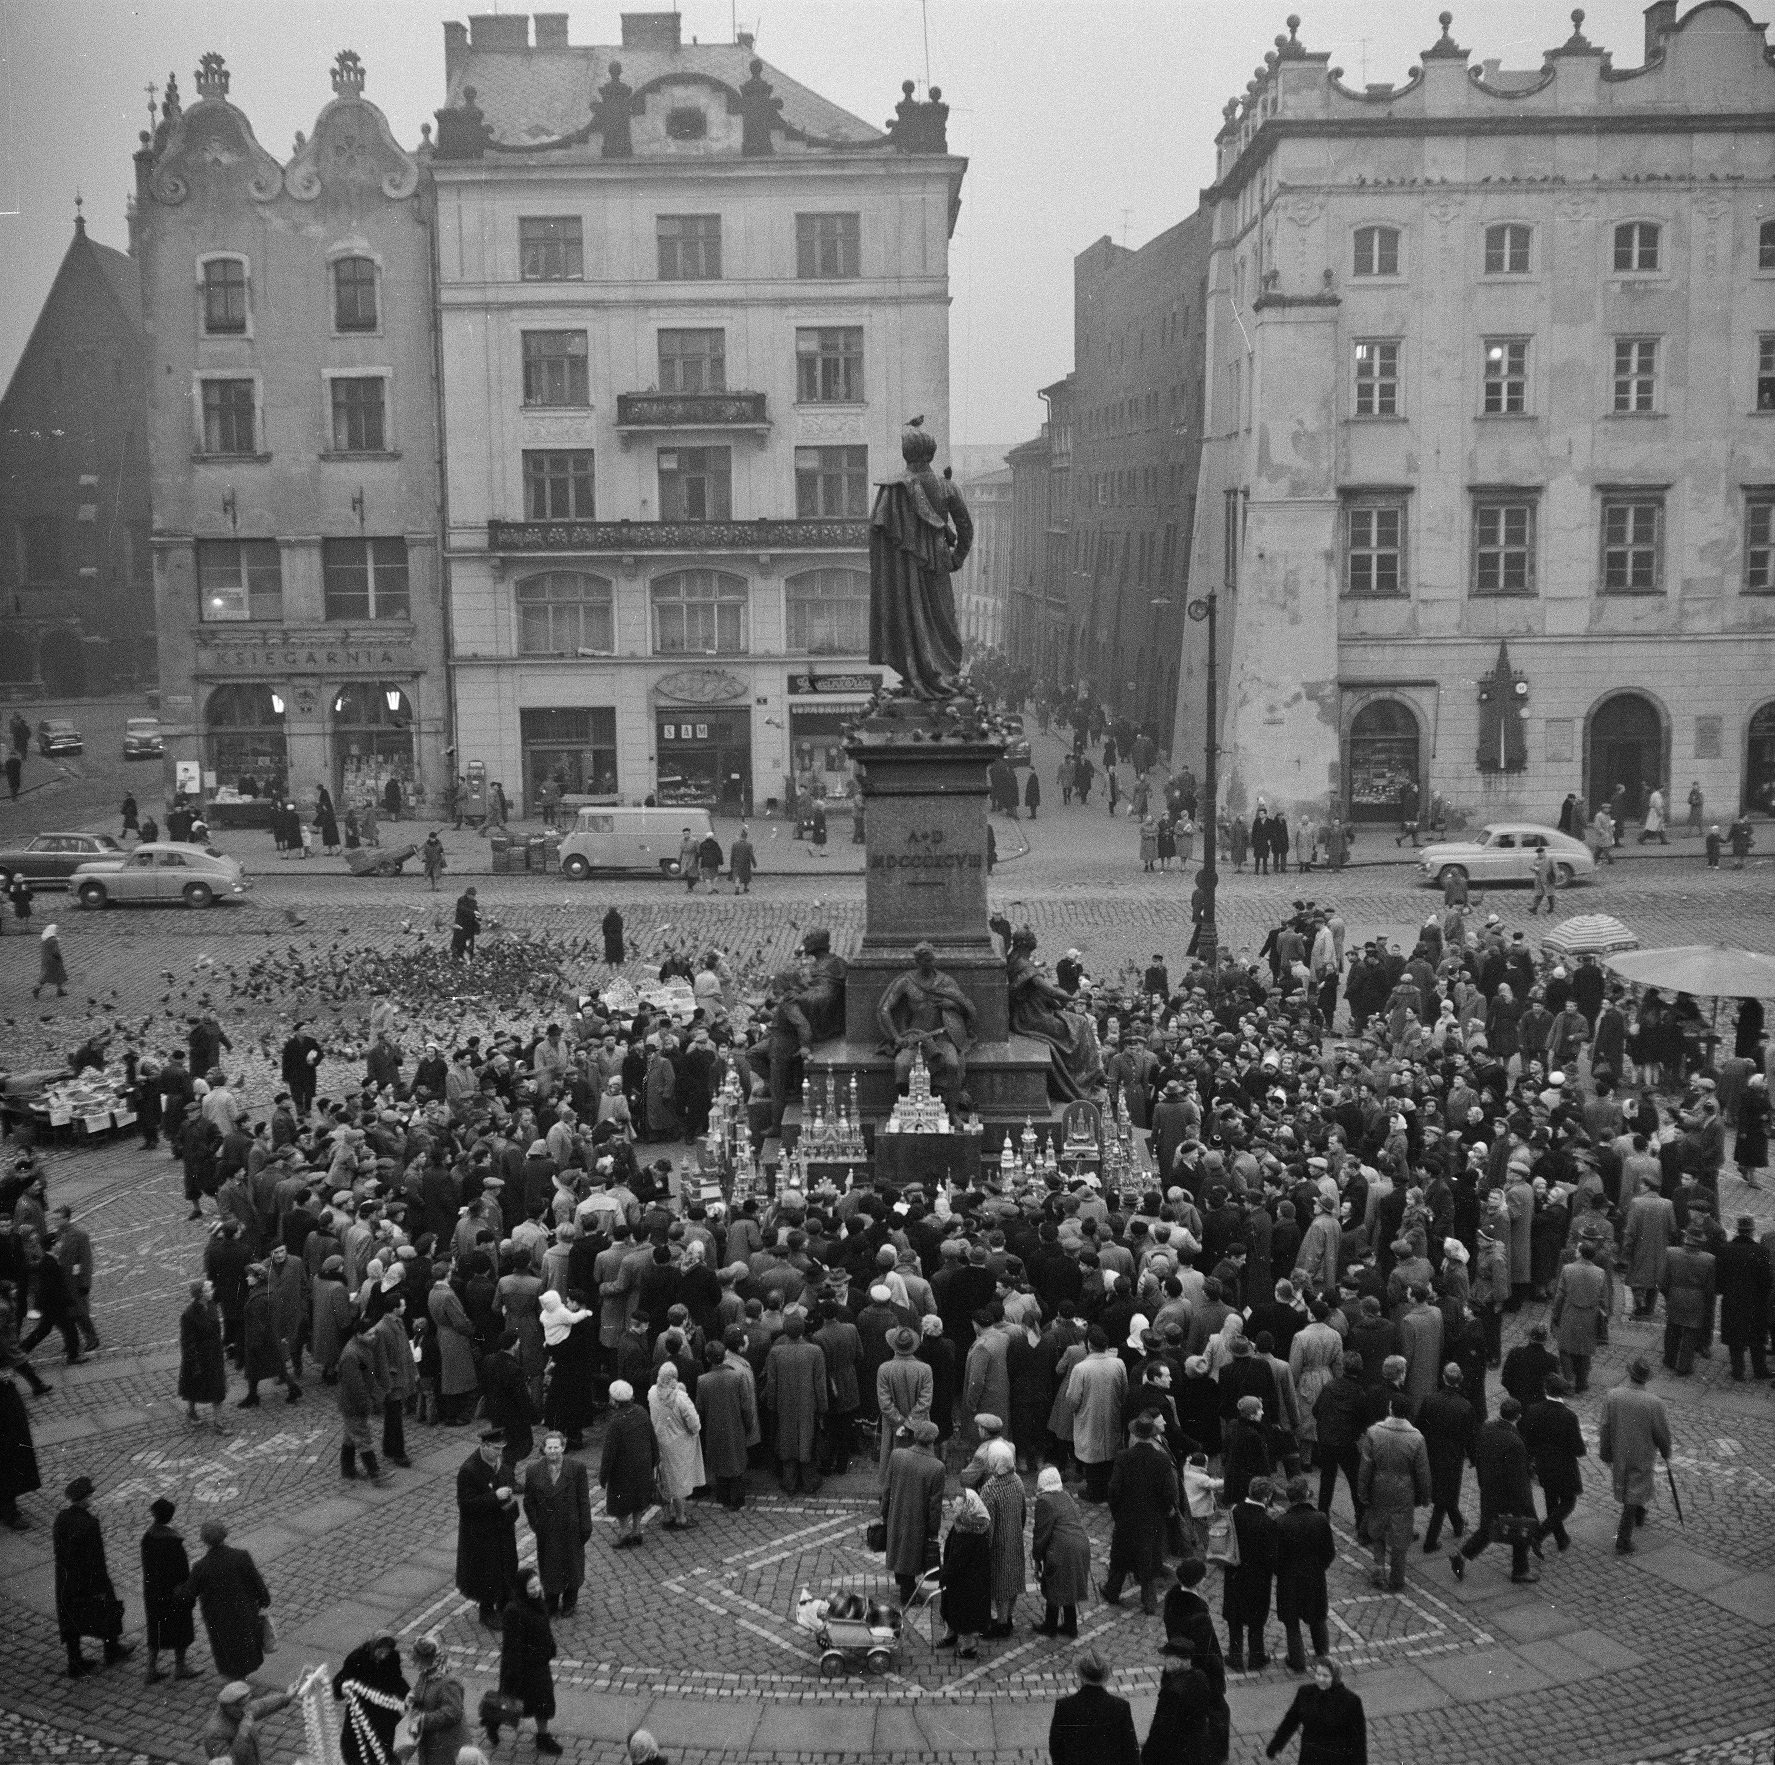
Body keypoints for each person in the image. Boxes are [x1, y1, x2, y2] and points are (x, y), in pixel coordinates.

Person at [1451, 1397, 1538, 1583]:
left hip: (1489, 1488)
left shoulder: (1487, 1429)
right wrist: (1527, 1504)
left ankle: (1462, 1556)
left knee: (1487, 1528)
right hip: (1508, 1494)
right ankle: (1520, 1570)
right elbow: (1518, 1480)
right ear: (1518, 1416)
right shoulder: (1515, 1442)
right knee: (1522, 1527)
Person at [54, 1476, 133, 1676]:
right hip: (90, 1578)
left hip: (66, 1579)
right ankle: (111, 1649)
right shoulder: (90, 1524)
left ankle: (75, 1660)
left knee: (70, 1617)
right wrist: (101, 1583)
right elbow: (96, 1558)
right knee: (107, 1610)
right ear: (84, 1498)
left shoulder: (61, 1518)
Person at [1100, 1415, 1179, 1616]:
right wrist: (1162, 1511)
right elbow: (1170, 1492)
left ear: (1135, 1434)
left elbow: (1113, 1490)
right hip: (1152, 1518)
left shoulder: (1123, 1457)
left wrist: (1117, 1513)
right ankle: (1149, 1601)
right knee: (1149, 1558)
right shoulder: (1162, 1459)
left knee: (1120, 1556)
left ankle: (1112, 1591)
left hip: (1127, 1516)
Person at [179, 1518, 271, 1678]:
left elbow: (188, 1594)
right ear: (224, 1534)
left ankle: (235, 1680)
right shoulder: (241, 1556)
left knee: (227, 1650)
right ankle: (242, 1678)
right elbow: (256, 1582)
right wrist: (264, 1599)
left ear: (204, 1540)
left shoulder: (201, 1567)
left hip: (218, 1619)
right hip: (244, 1612)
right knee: (244, 1647)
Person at [1599, 1357, 1672, 1554]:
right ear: (1646, 1379)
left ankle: (1639, 1513)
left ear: (1630, 1374)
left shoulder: (1612, 1396)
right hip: (1642, 1452)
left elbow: (1605, 1427)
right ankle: (1623, 1539)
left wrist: (1605, 1452)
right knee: (1635, 1490)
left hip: (1620, 1450)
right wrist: (1666, 1451)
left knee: (1631, 1488)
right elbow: (1661, 1432)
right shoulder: (1654, 1403)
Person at [1357, 1394, 1430, 1592]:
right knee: (1401, 1534)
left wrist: (1362, 1491)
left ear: (1390, 1408)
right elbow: (1422, 1471)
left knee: (1378, 1529)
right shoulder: (1416, 1438)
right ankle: (1397, 1577)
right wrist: (1425, 1496)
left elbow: (1365, 1466)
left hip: (1378, 1487)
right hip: (1404, 1491)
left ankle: (1378, 1568)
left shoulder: (1373, 1433)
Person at [489, 1569, 561, 1755]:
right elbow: (512, 1646)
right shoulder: (513, 1611)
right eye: (531, 1587)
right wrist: (514, 1671)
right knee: (511, 1702)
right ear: (522, 1589)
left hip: (539, 1664)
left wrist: (550, 1645)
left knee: (544, 1700)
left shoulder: (539, 1603)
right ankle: (492, 1722)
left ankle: (543, 1737)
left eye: (538, 1585)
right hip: (521, 1667)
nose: (537, 1590)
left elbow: (544, 1627)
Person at [456, 1428, 520, 1627]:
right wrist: (494, 1497)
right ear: (483, 1446)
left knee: (507, 1565)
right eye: (495, 1448)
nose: (500, 1453)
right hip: (481, 1532)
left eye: (502, 1448)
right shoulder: (469, 1470)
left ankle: (505, 1602)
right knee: (487, 1571)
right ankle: (487, 1610)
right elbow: (465, 1504)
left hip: (502, 1527)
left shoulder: (501, 1464)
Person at [1274, 1474, 1336, 1671]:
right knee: (1318, 1619)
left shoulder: (1281, 1523)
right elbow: (1329, 1552)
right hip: (1315, 1577)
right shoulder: (1320, 1518)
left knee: (1292, 1624)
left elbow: (1275, 1557)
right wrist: (1319, 1568)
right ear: (1306, 1495)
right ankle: (1323, 1656)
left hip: (1289, 1580)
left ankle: (1298, 1662)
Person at [881, 1418, 945, 1602]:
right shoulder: (937, 1467)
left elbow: (887, 1489)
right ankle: (907, 1594)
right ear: (933, 1441)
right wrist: (933, 1529)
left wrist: (885, 1512)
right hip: (917, 1520)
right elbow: (935, 1505)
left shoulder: (897, 1455)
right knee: (910, 1552)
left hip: (897, 1513)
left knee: (899, 1547)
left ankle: (903, 1584)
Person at [763, 1312, 828, 1494]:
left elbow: (772, 1381)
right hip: (808, 1403)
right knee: (807, 1439)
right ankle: (809, 1481)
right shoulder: (815, 1351)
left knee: (786, 1439)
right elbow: (819, 1383)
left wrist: (772, 1404)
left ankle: (789, 1482)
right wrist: (823, 1407)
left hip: (784, 1403)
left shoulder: (776, 1352)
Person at [1521, 1375, 1586, 1552]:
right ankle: (1540, 1534)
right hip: (1564, 1467)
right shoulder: (1569, 1416)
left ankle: (1561, 1538)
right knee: (1568, 1502)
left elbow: (1528, 1439)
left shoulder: (1533, 1410)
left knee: (1551, 1500)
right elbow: (1578, 1449)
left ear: (1546, 1390)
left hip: (1543, 1464)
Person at [1224, 1474, 1279, 1672]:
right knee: (1256, 1620)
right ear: (1266, 1497)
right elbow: (1273, 1556)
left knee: (1235, 1617)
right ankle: (1256, 1658)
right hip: (1258, 1578)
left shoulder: (1235, 1511)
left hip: (1235, 1573)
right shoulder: (1267, 1523)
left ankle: (1235, 1656)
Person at [1265, 1658, 1366, 1765]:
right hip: (1310, 1756)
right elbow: (1290, 1721)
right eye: (1318, 1674)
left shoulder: (1351, 1701)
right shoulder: (1305, 1693)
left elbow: (1358, 1740)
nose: (1320, 1679)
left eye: (1325, 1676)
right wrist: (1275, 1746)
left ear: (1335, 1677)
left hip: (1335, 1759)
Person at [1050, 1650, 1141, 1765]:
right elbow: (1130, 1751)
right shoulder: (1120, 1707)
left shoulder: (1064, 1707)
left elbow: (1056, 1749)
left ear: (1081, 1676)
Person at [1031, 1463, 1091, 1637]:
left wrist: (1037, 1558)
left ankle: (1050, 1626)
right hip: (1080, 1546)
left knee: (1053, 1584)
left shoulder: (1044, 1501)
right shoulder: (1066, 1496)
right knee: (1069, 1584)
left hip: (1062, 1549)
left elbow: (1041, 1533)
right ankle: (1070, 1626)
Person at [332, 1633, 409, 1765]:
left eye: (387, 1651)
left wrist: (408, 1696)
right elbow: (340, 1680)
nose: (384, 1655)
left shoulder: (392, 1657)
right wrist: (342, 1688)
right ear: (374, 1647)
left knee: (383, 1750)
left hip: (384, 1715)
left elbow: (396, 1680)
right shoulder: (357, 1659)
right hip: (362, 1712)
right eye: (381, 1651)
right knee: (357, 1749)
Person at [599, 1379, 658, 1547]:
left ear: (614, 1400)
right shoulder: (641, 1411)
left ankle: (624, 1533)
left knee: (621, 1502)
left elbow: (609, 1454)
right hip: (642, 1465)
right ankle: (637, 1530)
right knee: (639, 1498)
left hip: (622, 1471)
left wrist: (603, 1476)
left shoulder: (615, 1422)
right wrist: (654, 1460)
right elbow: (652, 1438)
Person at [936, 1489, 993, 1658]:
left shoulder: (968, 1531)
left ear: (968, 1507)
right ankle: (951, 1634)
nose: (954, 1506)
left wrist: (944, 1575)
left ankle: (969, 1648)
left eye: (959, 1504)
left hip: (966, 1581)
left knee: (963, 1613)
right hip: (965, 1578)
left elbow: (958, 1560)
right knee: (953, 1608)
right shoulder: (965, 1523)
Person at [648, 1361, 704, 1530]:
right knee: (679, 1481)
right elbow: (695, 1425)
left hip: (660, 1442)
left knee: (663, 1480)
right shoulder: (681, 1398)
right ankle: (681, 1518)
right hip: (680, 1446)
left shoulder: (651, 1392)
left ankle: (666, 1515)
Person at [406, 1635, 469, 1765]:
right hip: (431, 1743)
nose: (415, 1665)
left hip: (446, 1745)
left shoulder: (449, 1682)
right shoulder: (426, 1673)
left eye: (418, 1662)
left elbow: (452, 1713)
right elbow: (422, 1692)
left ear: (430, 1660)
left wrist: (423, 1719)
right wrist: (413, 1697)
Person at [201, 1680, 297, 1765]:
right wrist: (242, 1734)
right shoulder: (214, 1733)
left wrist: (286, 1697)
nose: (247, 1709)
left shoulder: (241, 1711)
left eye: (248, 1702)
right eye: (243, 1705)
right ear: (229, 1707)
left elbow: (263, 1706)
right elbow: (230, 1761)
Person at [178, 1279, 229, 1431]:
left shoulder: (212, 1305)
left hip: (214, 1355)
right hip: (199, 1357)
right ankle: (192, 1412)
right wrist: (193, 1361)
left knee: (218, 1389)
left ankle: (218, 1422)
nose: (212, 1291)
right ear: (201, 1294)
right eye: (209, 1290)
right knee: (193, 1388)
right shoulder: (189, 1314)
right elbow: (187, 1341)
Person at [32, 922, 67, 999]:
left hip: (46, 960)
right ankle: (37, 989)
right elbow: (56, 951)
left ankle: (59, 991)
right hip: (54, 960)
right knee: (55, 975)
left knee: (52, 975)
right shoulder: (53, 940)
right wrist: (60, 957)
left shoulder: (45, 939)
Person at [452, 887, 480, 960]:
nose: (472, 896)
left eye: (474, 895)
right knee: (459, 941)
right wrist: (473, 912)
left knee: (470, 942)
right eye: (471, 895)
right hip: (461, 924)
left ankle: (469, 956)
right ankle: (458, 955)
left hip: (470, 925)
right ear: (467, 894)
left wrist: (478, 923)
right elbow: (462, 909)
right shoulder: (461, 900)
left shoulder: (474, 902)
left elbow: (477, 913)